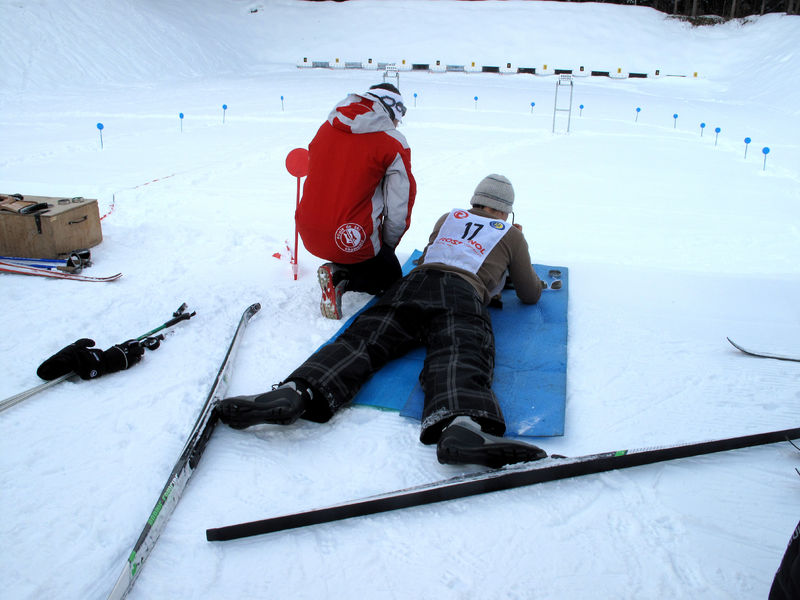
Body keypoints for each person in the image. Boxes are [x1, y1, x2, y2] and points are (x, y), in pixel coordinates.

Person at [219, 174, 546, 468]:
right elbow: (529, 293)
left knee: (363, 339)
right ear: (505, 212)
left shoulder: (449, 218)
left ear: (474, 201)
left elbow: (435, 253)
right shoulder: (510, 235)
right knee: (461, 350)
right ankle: (463, 425)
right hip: (461, 293)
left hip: (413, 284)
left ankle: (298, 391)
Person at [295, 83, 417, 320]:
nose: (396, 125)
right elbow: (400, 204)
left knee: (359, 245)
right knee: (391, 279)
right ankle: (341, 276)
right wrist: (388, 246)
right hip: (351, 237)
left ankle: (344, 263)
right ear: (391, 110)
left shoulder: (327, 126)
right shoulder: (392, 142)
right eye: (398, 119)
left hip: (307, 230)